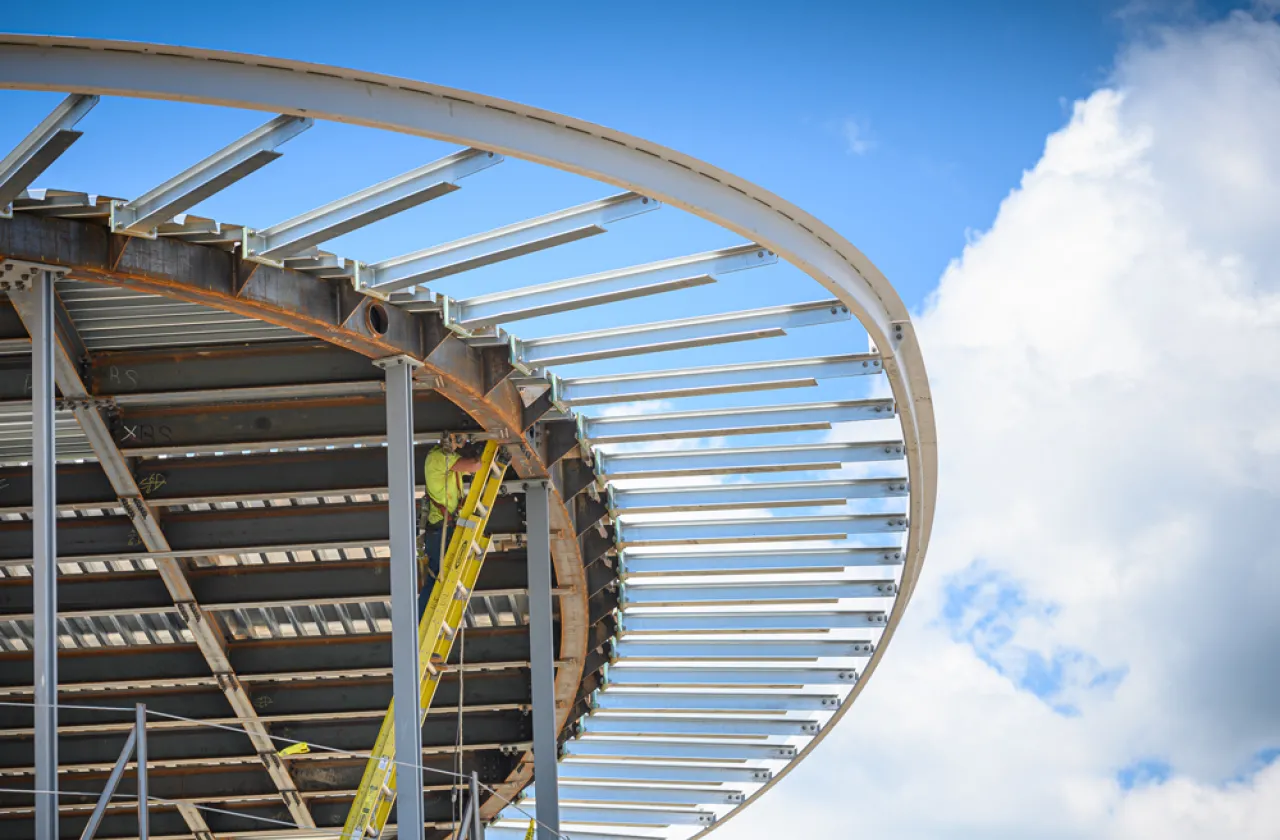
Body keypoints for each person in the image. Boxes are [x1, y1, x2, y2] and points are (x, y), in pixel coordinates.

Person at [417, 440, 484, 621]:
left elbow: (470, 468)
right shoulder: (438, 458)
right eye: (460, 440)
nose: (463, 443)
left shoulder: (448, 458)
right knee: (437, 580)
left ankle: (421, 624)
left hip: (442, 530)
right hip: (441, 531)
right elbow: (475, 465)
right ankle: (420, 624)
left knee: (438, 579)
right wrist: (476, 453)